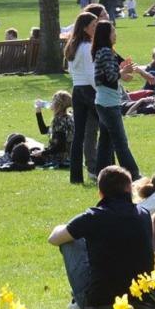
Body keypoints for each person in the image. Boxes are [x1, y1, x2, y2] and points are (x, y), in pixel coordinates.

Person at [47, 166, 155, 309]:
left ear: (100, 193)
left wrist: (61, 227)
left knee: (68, 241)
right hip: (142, 297)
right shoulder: (143, 214)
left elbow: (54, 239)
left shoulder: (93, 216)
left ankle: (81, 300)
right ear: (130, 189)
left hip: (101, 301)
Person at [92, 20, 144, 180]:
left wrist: (124, 72)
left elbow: (108, 76)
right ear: (106, 35)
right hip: (109, 104)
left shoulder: (104, 51)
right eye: (113, 31)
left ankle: (101, 174)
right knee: (120, 142)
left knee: (105, 143)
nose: (116, 35)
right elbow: (110, 77)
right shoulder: (106, 52)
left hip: (103, 102)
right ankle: (134, 175)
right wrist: (122, 72)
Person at [65, 12, 100, 184]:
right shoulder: (87, 47)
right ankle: (99, 168)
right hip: (89, 90)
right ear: (85, 28)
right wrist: (100, 90)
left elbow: (72, 71)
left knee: (80, 134)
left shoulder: (72, 45)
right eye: (93, 26)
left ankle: (76, 176)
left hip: (77, 90)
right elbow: (90, 74)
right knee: (107, 128)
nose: (95, 29)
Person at [34, 90, 74, 164]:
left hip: (60, 158)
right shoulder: (69, 117)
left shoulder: (58, 120)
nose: (51, 103)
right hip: (70, 156)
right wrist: (38, 112)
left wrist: (42, 153)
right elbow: (44, 130)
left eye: (53, 101)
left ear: (57, 105)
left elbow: (60, 147)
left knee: (29, 155)